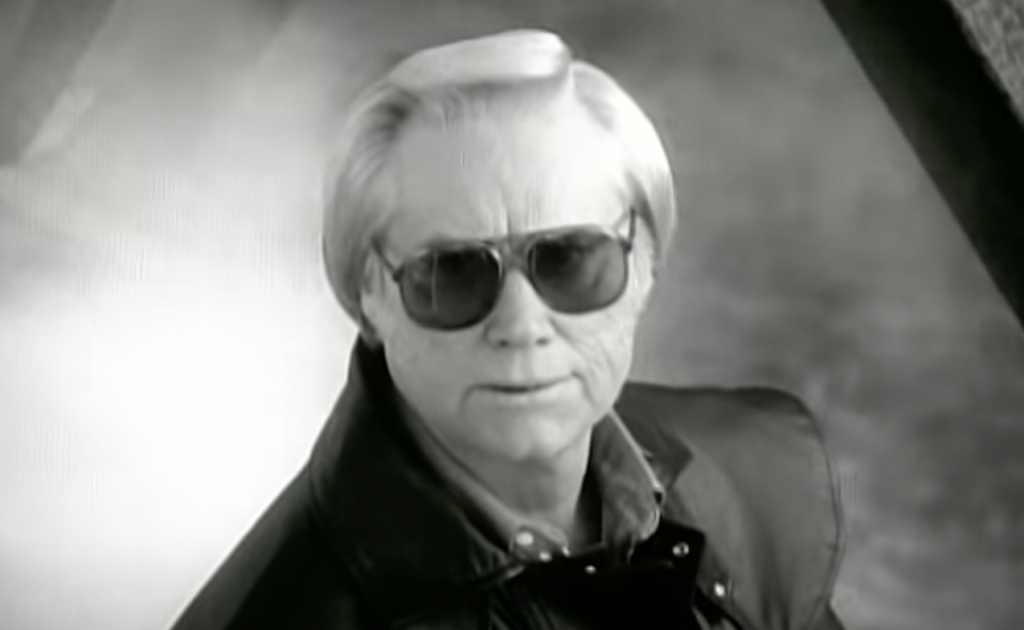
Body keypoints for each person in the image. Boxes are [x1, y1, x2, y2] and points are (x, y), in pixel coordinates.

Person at [171, 29, 847, 630]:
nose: (521, 326)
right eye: (453, 274)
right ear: (368, 293)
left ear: (645, 264)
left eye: (571, 259)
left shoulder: (757, 481)